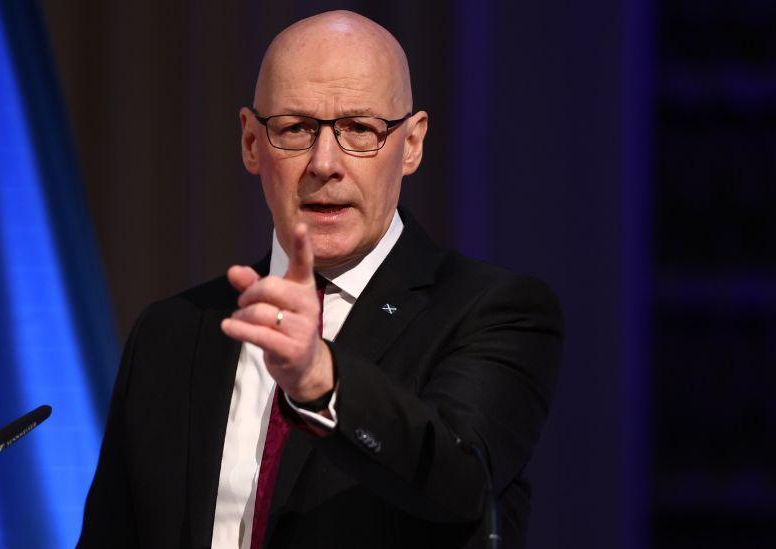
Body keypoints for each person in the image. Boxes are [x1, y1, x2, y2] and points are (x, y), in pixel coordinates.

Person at [79, 10, 562, 549]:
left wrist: (322, 381)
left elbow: (460, 481)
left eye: (360, 129)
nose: (324, 163)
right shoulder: (172, 333)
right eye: (295, 129)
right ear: (250, 142)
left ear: (413, 143)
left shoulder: (494, 311)